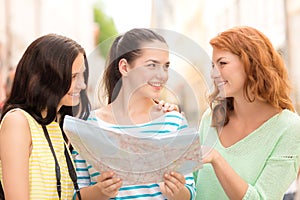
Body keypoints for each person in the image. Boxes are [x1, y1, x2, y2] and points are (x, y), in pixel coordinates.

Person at [73, 28, 196, 199]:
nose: (161, 75)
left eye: (166, 66)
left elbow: (190, 192)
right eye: (152, 65)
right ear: (124, 67)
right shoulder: (87, 126)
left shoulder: (174, 122)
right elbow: (75, 194)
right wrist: (99, 192)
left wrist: (177, 191)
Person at [0, 34, 121, 199]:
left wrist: (101, 191)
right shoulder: (18, 122)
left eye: (82, 76)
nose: (83, 85)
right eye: (73, 77)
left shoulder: (57, 127)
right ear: (47, 76)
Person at [194, 26, 300, 199]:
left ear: (251, 63)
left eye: (222, 63)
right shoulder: (212, 118)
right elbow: (192, 189)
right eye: (212, 66)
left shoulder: (290, 129)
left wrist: (217, 159)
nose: (213, 74)